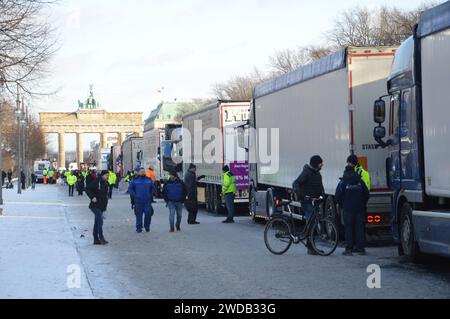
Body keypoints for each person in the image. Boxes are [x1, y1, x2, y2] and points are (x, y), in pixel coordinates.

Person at [335, 158, 370, 256]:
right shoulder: (360, 181)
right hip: (359, 208)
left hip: (347, 209)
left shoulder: (343, 182)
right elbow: (366, 194)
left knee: (348, 228)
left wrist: (342, 205)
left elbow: (338, 196)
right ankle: (361, 248)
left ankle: (349, 249)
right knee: (359, 228)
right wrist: (362, 204)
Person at [292, 155, 325, 255]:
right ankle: (311, 247)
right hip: (307, 202)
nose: (322, 165)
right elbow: (296, 183)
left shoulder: (317, 174)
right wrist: (302, 195)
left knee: (313, 223)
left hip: (314, 201)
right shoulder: (306, 172)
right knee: (312, 224)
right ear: (316, 164)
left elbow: (320, 187)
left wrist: (322, 196)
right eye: (320, 163)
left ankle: (311, 247)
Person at [85, 170, 110, 245]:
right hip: (94, 205)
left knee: (97, 222)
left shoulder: (106, 183)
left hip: (101, 205)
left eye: (108, 175)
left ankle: (95, 239)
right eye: (106, 175)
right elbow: (87, 189)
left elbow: (105, 196)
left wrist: (105, 208)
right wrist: (92, 197)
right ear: (102, 175)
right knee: (100, 221)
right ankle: (101, 237)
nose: (107, 177)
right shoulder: (97, 181)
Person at [128, 167, 155, 233]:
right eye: (141, 171)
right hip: (138, 201)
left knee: (148, 213)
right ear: (139, 172)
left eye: (144, 171)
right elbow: (130, 189)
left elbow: (153, 188)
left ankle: (147, 226)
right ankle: (139, 227)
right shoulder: (135, 180)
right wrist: (135, 195)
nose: (143, 172)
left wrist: (150, 195)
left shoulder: (149, 179)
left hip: (147, 201)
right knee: (138, 214)